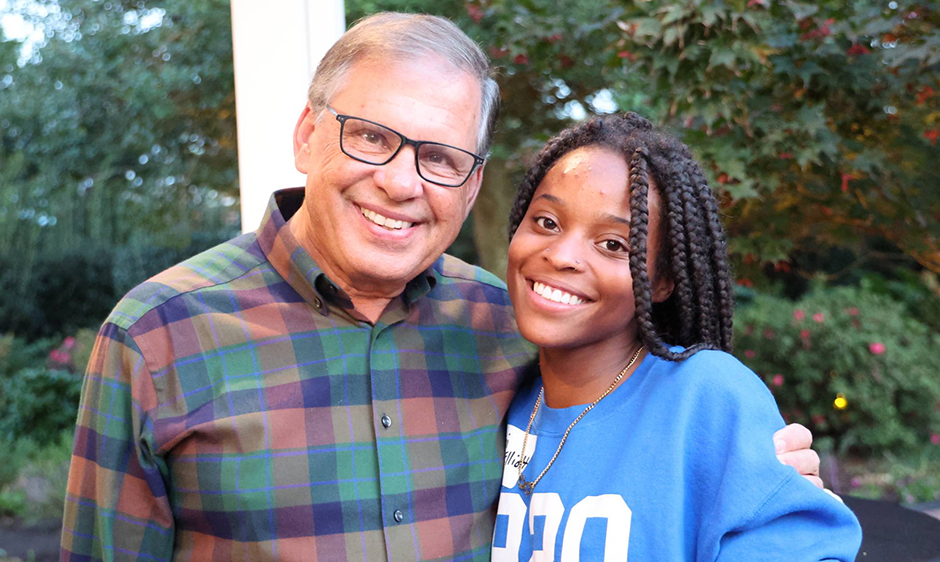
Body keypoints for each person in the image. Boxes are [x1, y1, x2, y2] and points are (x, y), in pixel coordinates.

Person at [60, 13, 822, 562]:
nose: (399, 183)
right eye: (371, 137)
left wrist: (750, 476)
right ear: (306, 135)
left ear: (472, 180)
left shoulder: (505, 325)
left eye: (440, 156)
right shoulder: (159, 334)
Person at [492, 113, 861, 561]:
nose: (561, 255)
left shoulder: (704, 395)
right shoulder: (500, 393)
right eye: (547, 222)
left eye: (613, 244)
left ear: (663, 281)